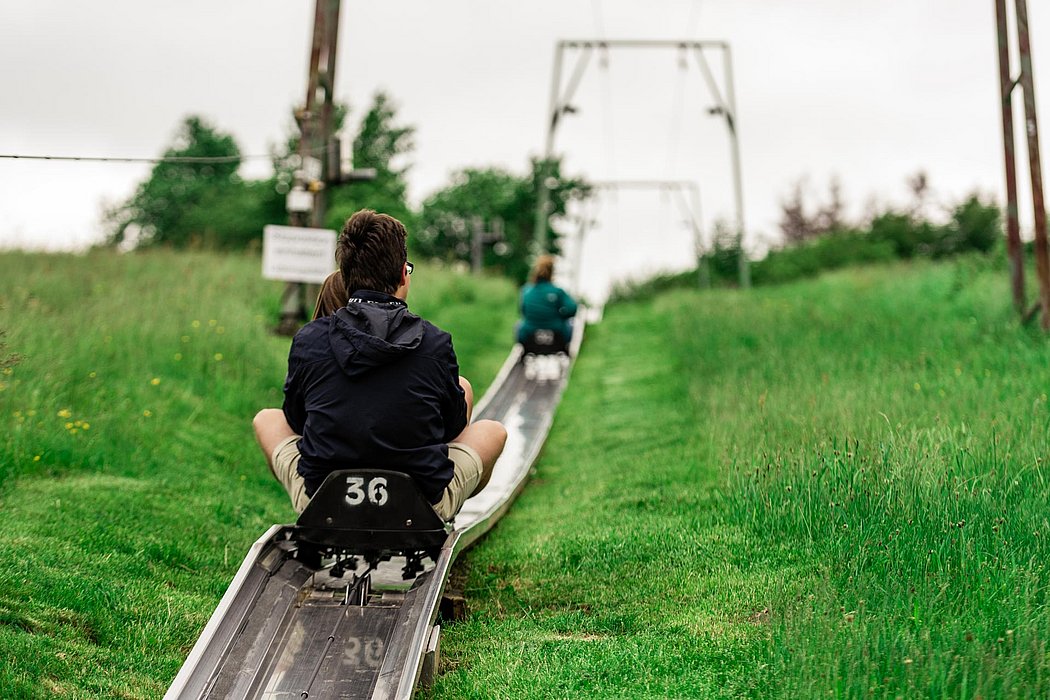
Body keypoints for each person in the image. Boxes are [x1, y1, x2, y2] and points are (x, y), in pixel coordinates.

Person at [253, 209, 507, 521]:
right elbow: (452, 427)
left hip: (325, 500)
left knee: (267, 419)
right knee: (492, 431)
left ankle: (320, 512)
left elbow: (295, 418)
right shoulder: (435, 342)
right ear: (403, 273)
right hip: (416, 507)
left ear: (345, 277)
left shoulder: (309, 339)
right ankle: (442, 512)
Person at [516, 254, 578, 349]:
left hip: (529, 334)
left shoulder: (526, 291)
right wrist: (561, 316)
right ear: (552, 272)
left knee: (519, 325)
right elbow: (572, 309)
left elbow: (523, 311)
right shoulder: (557, 292)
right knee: (571, 325)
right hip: (556, 333)